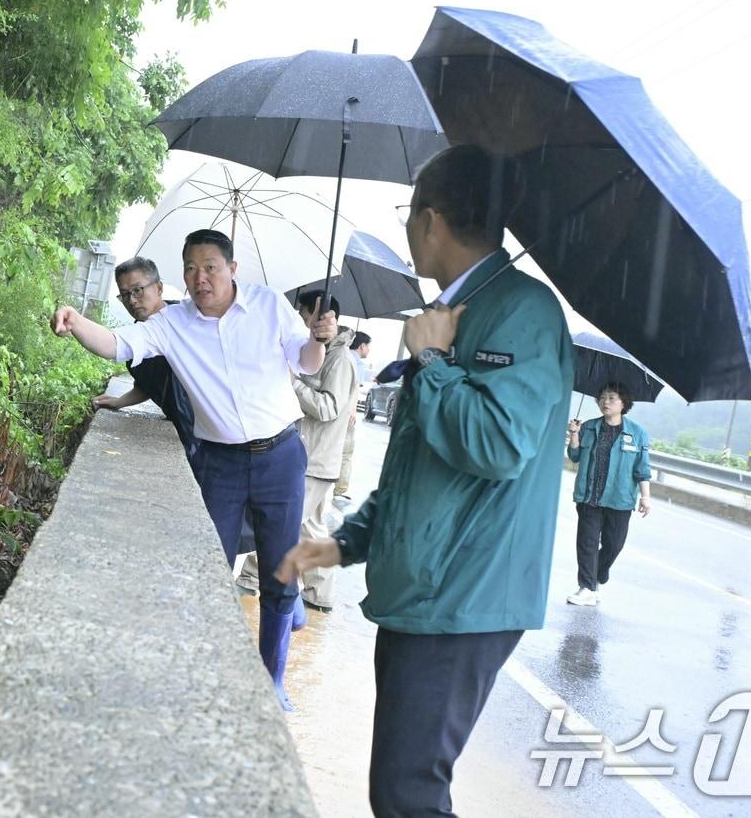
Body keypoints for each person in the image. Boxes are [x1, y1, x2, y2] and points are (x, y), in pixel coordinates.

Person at [277, 144, 573, 816]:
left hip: (465, 595)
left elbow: (497, 444)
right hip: (430, 585)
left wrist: (434, 361)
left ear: (431, 220)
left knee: (409, 793)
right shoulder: (457, 310)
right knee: (403, 787)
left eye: (410, 217)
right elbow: (422, 468)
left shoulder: (521, 312)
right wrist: (346, 543)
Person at [51, 228, 337, 712]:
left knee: (280, 571)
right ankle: (194, 673)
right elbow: (116, 344)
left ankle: (272, 680)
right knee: (204, 570)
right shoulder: (173, 324)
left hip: (281, 456)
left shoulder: (268, 305)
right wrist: (77, 322)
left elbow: (305, 362)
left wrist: (318, 339)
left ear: (232, 269)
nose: (200, 277)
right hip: (220, 462)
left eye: (210, 267)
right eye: (191, 268)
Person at [236, 291, 358, 612]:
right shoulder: (326, 351)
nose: (298, 320)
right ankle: (318, 596)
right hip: (314, 457)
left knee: (277, 524)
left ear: (316, 314)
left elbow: (329, 407)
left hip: (316, 458)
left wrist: (293, 383)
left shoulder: (339, 359)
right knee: (311, 528)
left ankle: (249, 581)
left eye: (302, 314)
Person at [91, 257, 199, 464]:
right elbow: (148, 386)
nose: (131, 300)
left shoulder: (191, 321)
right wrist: (117, 401)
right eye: (124, 294)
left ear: (158, 288)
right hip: (182, 435)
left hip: (212, 435)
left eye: (138, 290)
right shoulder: (135, 340)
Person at [565, 383, 653, 607]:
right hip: (589, 496)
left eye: (612, 398)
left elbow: (642, 468)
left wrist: (645, 497)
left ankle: (597, 576)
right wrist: (574, 435)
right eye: (603, 397)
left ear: (624, 404)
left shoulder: (637, 433)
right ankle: (586, 587)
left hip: (619, 499)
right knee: (587, 543)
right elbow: (575, 456)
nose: (606, 402)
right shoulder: (589, 427)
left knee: (614, 545)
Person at [334, 332, 373, 502]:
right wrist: (352, 410)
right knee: (346, 451)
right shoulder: (354, 360)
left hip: (336, 409)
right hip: (345, 412)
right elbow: (355, 386)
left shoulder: (341, 355)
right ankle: (340, 488)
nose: (369, 350)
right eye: (369, 346)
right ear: (362, 346)